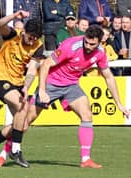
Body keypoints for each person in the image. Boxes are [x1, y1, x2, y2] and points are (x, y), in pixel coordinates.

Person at [26, 25, 129, 168]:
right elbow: (45, 65)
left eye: (92, 44)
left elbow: (109, 77)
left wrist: (119, 104)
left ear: (100, 42)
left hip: (71, 85)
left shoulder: (100, 52)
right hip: (51, 83)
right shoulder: (71, 45)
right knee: (26, 120)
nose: (87, 46)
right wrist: (42, 90)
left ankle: (85, 160)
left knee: (87, 115)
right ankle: (3, 150)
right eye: (86, 42)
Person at [0, 10, 44, 168]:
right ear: (25, 33)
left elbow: (31, 70)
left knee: (22, 124)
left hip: (18, 82)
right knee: (22, 107)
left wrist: (27, 87)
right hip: (0, 79)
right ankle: (16, 150)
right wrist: (15, 16)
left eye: (35, 38)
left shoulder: (38, 47)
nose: (32, 41)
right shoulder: (12, 34)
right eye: (30, 37)